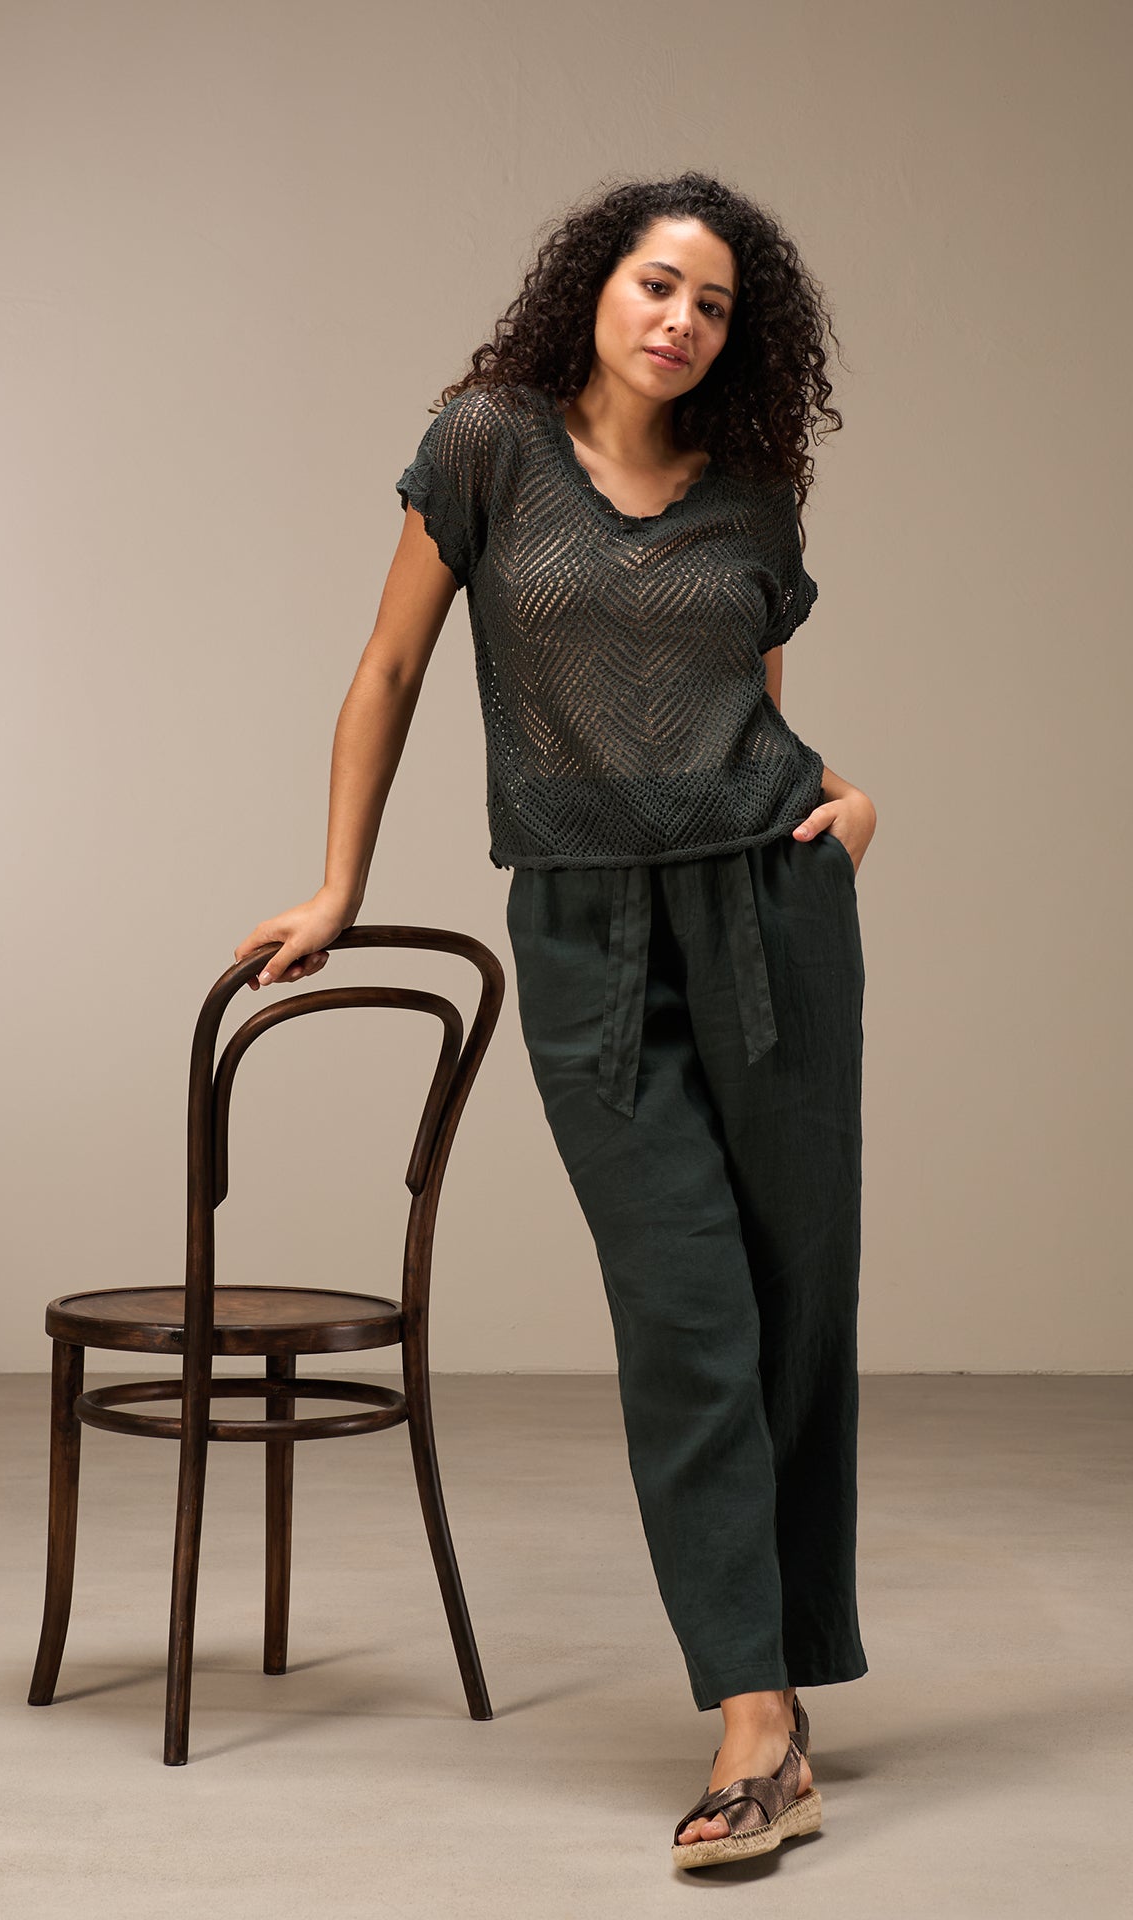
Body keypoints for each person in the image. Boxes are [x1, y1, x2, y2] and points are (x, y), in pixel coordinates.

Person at [234, 170, 876, 1871]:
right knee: (686, 1312)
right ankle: (753, 1716)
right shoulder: (487, 446)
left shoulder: (755, 492)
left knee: (794, 1302)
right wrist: (338, 885)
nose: (682, 321)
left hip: (772, 918)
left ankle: (777, 1702)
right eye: (659, 284)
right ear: (596, 284)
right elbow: (388, 670)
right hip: (587, 930)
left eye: (714, 304)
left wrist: (843, 810)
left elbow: (746, 707)